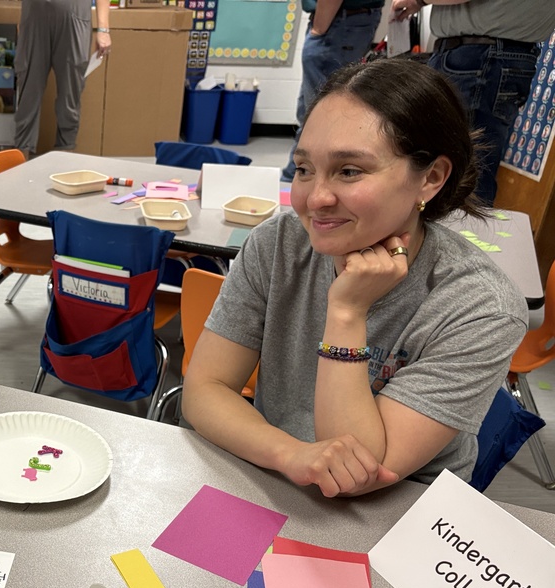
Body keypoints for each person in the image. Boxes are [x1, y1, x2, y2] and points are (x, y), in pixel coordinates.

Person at [182, 57, 527, 498]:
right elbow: (205, 390)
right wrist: (290, 454)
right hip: (278, 479)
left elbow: (361, 473)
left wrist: (346, 311)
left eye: (349, 171)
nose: (315, 198)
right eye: (304, 169)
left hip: (397, 511)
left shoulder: (480, 306)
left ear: (432, 178)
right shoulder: (278, 244)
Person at [391, 0, 555, 207]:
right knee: (461, 168)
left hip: (481, 55)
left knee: (465, 174)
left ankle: (458, 238)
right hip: (484, 52)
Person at [281, 0, 384, 182]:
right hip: (345, 20)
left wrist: (318, 30)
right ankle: (298, 175)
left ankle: (301, 178)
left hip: (337, 22)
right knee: (315, 107)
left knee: (320, 111)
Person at [13, 0, 112, 158]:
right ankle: (21, 156)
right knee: (28, 91)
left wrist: (103, 29)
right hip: (34, 17)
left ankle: (64, 155)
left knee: (70, 91)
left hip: (74, 17)